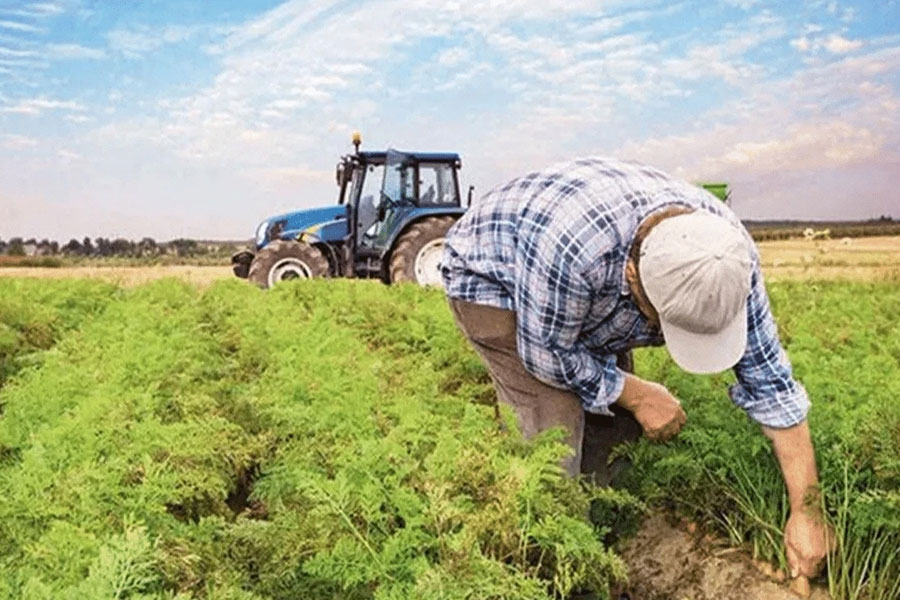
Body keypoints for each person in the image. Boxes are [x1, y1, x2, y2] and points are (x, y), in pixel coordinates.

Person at [441, 157, 828, 583]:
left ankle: (606, 541)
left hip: (582, 286)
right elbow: (546, 355)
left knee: (616, 429)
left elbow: (772, 386)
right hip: (496, 281)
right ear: (632, 275)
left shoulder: (728, 258)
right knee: (553, 436)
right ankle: (550, 567)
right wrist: (638, 393)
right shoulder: (574, 251)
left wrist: (807, 511)